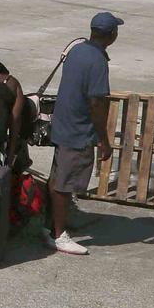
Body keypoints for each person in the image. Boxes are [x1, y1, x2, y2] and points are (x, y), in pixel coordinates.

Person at [47, 13, 122, 257]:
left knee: (58, 177)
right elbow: (97, 103)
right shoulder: (98, 61)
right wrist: (104, 140)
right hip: (78, 129)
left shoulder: (78, 50)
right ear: (111, 35)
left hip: (63, 123)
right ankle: (59, 235)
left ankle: (52, 225)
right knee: (65, 184)